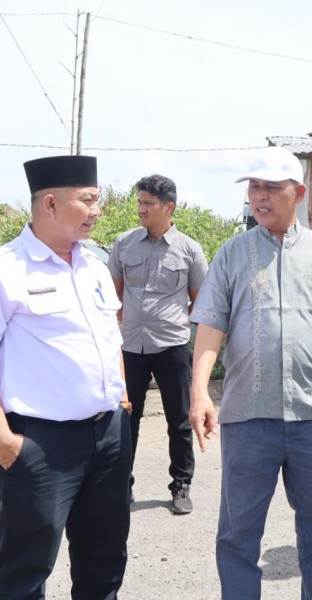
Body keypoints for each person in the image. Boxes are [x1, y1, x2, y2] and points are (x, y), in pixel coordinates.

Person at [189, 146, 312, 599]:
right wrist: (200, 392)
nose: (260, 197)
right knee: (238, 535)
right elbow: (210, 328)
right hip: (249, 418)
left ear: (298, 193)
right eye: (254, 188)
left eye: (271, 187)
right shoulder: (233, 254)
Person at [0, 155, 132, 600]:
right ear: (50, 203)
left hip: (107, 435)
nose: (96, 210)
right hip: (41, 443)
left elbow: (110, 337)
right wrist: (3, 441)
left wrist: (123, 402)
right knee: (25, 568)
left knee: (105, 558)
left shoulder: (94, 266)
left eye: (97, 200)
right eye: (87, 200)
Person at [107, 174, 208, 513]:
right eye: (139, 202)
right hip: (130, 347)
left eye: (148, 203)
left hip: (172, 346)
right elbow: (114, 295)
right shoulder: (123, 244)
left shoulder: (189, 250)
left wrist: (172, 320)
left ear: (169, 207)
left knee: (179, 420)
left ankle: (181, 485)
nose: (141, 209)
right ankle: (122, 485)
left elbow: (200, 300)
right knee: (125, 420)